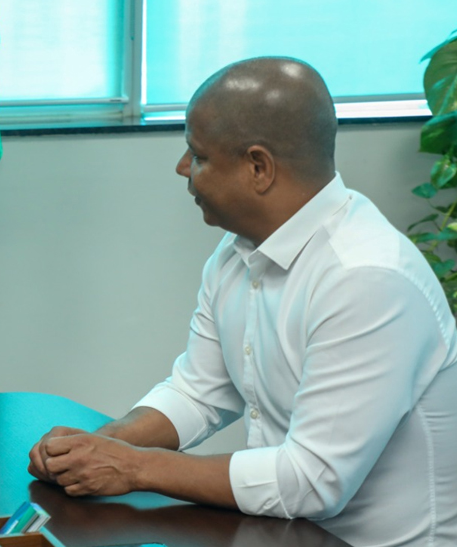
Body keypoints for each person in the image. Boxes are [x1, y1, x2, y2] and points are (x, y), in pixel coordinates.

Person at [27, 57, 457, 547]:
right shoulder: (239, 251)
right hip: (280, 531)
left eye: (199, 155)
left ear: (258, 167)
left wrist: (133, 467)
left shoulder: (367, 278)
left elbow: (311, 481)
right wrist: (101, 445)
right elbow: (200, 392)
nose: (182, 167)